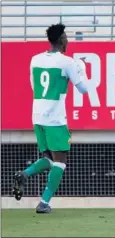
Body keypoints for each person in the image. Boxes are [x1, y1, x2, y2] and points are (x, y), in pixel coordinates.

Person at [13, 23, 90, 214]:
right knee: (60, 161)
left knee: (48, 158)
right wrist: (82, 69)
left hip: (37, 115)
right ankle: (44, 202)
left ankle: (24, 174)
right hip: (55, 118)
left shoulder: (35, 60)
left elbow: (33, 86)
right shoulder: (67, 62)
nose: (68, 40)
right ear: (62, 40)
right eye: (66, 37)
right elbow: (84, 89)